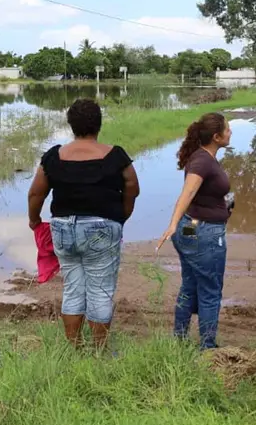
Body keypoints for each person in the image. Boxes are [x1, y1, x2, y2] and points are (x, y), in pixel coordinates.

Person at [27, 99, 140, 349]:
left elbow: (36, 193)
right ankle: (98, 351)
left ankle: (74, 347)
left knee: (73, 289)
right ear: (99, 124)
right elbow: (133, 187)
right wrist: (121, 216)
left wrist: (34, 221)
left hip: (62, 228)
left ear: (71, 125)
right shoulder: (116, 156)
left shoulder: (53, 156)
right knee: (100, 290)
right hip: (102, 227)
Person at [156, 112, 233, 350]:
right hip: (203, 232)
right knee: (210, 290)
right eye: (227, 129)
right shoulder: (203, 161)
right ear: (216, 137)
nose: (230, 132)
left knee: (190, 285)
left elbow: (198, 195)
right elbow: (187, 193)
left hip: (191, 228)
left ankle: (179, 340)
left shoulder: (203, 156)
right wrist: (172, 224)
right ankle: (207, 347)